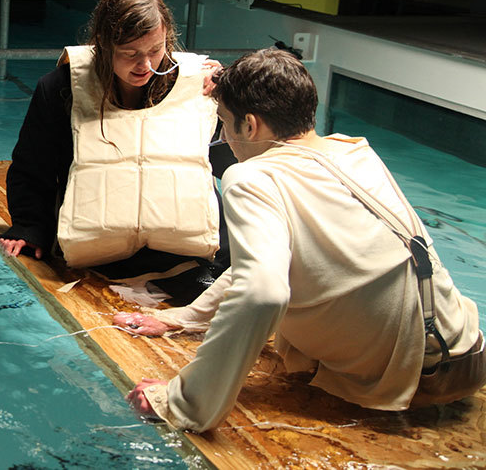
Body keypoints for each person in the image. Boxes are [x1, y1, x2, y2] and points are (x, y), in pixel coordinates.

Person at [119, 49, 484, 431]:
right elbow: (266, 265)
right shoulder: (354, 151)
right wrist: (183, 317)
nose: (224, 136)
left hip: (409, 382)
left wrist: (184, 400)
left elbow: (261, 293)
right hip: (466, 354)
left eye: (224, 122)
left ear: (251, 125)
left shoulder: (252, 178)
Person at [0, 0, 235, 303]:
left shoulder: (196, 84)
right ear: (104, 44)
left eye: (155, 50)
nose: (145, 65)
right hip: (100, 243)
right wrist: (28, 226)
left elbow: (230, 161)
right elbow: (32, 165)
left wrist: (227, 99)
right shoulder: (60, 89)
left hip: (185, 251)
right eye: (130, 54)